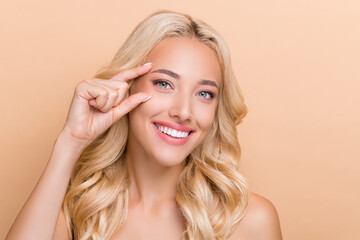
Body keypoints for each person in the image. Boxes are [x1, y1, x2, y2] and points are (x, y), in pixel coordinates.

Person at [6, 10, 282, 240]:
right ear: (126, 88)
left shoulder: (251, 221)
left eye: (204, 93)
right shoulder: (77, 214)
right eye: (164, 84)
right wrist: (72, 140)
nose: (184, 111)